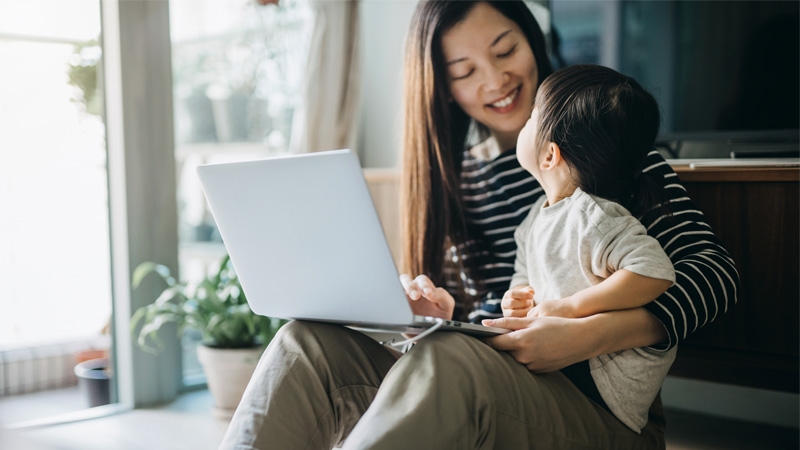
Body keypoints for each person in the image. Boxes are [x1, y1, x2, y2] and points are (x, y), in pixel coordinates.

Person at [219, 2, 739, 449]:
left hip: (603, 413)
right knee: (306, 342)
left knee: (451, 364)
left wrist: (587, 334)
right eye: (465, 71)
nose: (495, 80)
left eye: (505, 50)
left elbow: (714, 276)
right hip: (498, 378)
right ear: (443, 88)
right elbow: (498, 321)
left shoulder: (619, 159)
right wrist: (437, 317)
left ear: (533, 42)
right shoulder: (463, 183)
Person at [504, 63, 678, 434]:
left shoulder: (595, 216)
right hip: (569, 371)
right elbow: (526, 274)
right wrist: (518, 298)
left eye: (535, 114)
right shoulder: (539, 216)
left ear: (549, 156)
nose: (528, 118)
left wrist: (571, 307)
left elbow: (655, 270)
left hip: (603, 387)